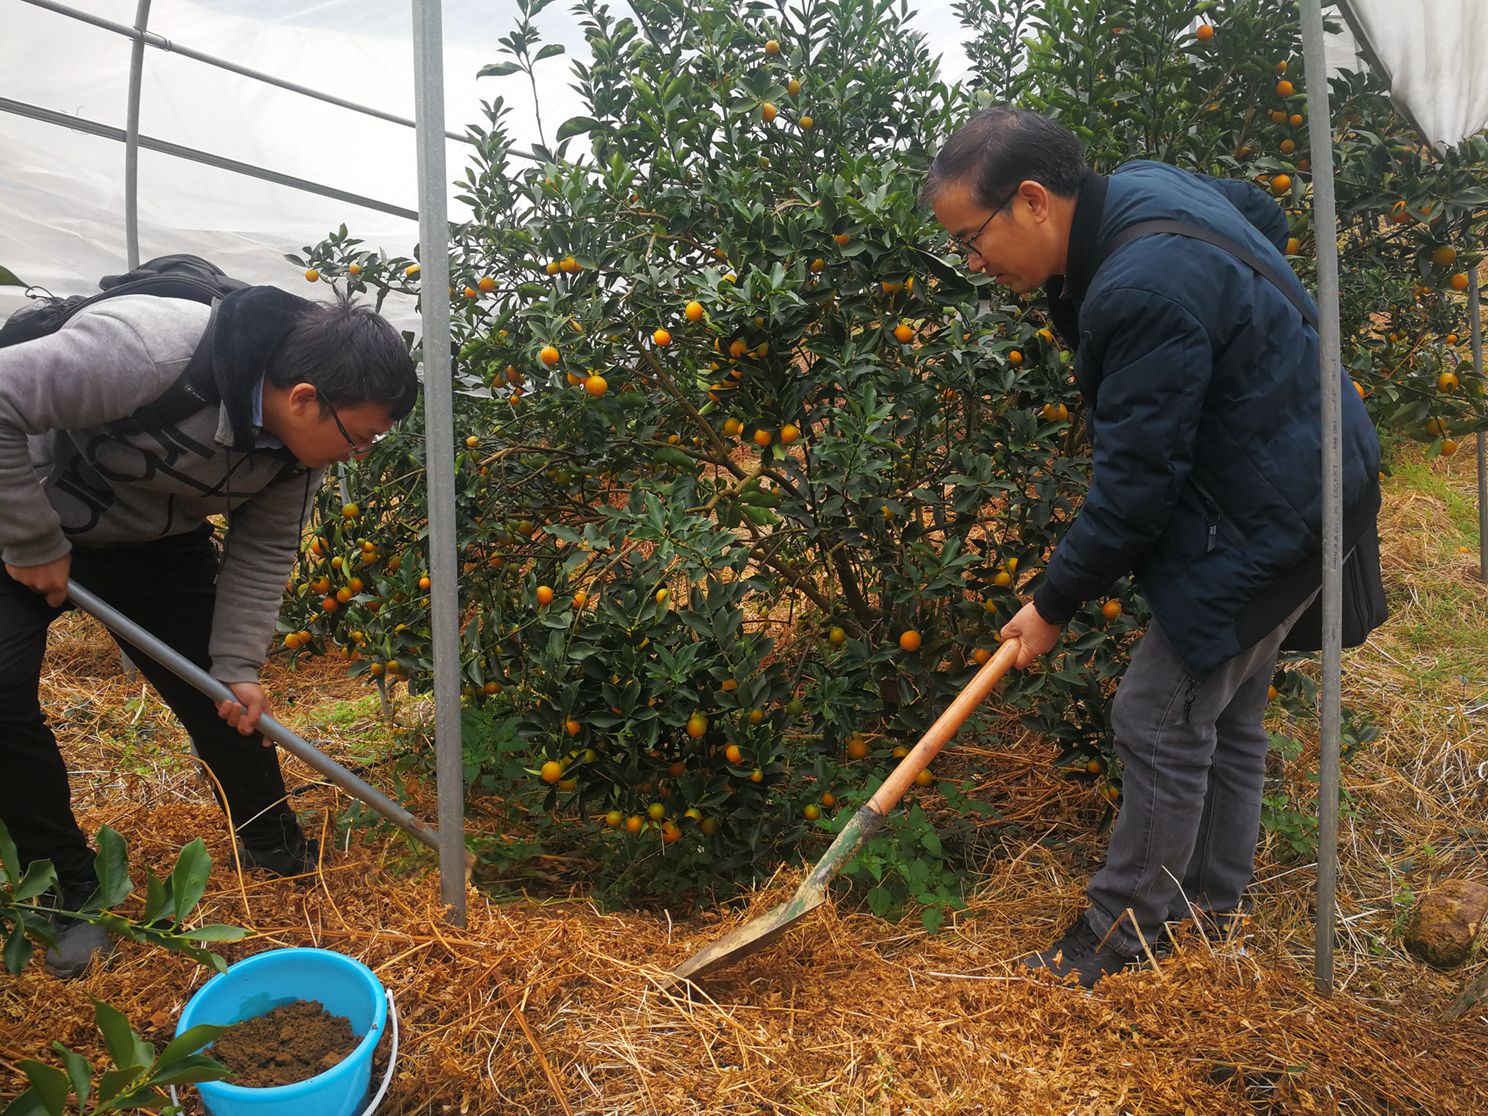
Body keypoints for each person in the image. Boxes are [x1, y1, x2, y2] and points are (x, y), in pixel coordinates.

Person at [921, 107, 1381, 986]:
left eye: (972, 240)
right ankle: (1209, 906)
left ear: (1030, 202)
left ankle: (1117, 937)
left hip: (1274, 513)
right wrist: (1253, 368)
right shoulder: (1142, 185)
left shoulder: (1139, 288)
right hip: (1319, 473)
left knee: (1156, 712)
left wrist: (1051, 604)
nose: (973, 265)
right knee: (1227, 709)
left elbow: (1135, 492)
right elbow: (1261, 212)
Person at [0, 282, 418, 977]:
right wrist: (31, 540)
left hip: (156, 550)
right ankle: (70, 891)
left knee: (223, 700)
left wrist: (240, 667)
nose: (359, 455)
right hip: (27, 525)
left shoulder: (295, 451)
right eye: (361, 436)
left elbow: (263, 552)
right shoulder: (147, 349)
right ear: (305, 397)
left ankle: (274, 844)